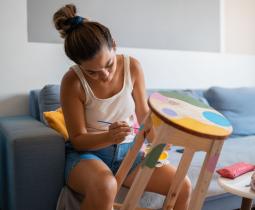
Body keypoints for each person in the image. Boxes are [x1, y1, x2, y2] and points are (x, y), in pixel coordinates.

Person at [53, 4, 191, 210]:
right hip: (87, 157)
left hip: (130, 153)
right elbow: (78, 140)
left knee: (183, 185)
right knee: (105, 186)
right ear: (79, 65)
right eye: (92, 72)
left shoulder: (132, 67)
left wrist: (159, 142)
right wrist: (109, 137)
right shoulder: (72, 82)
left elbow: (144, 114)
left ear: (114, 45)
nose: (104, 75)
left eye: (108, 64)